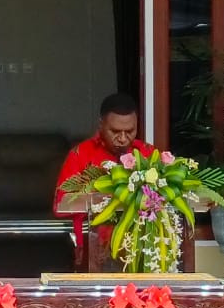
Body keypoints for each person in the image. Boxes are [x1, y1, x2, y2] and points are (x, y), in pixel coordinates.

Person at [53, 92, 158, 271]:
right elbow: (60, 206)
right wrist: (104, 196)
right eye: (115, 131)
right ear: (101, 125)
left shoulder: (148, 154)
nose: (123, 138)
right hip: (93, 252)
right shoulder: (80, 154)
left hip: (142, 251)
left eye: (130, 131)